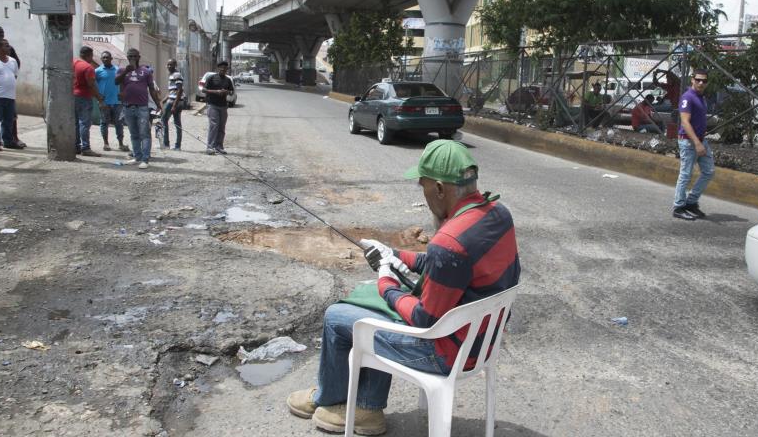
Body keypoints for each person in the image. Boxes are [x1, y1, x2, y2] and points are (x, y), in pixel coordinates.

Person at [287, 140, 521, 435]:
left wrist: (386, 283)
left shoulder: (448, 242)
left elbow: (425, 319)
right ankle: (366, 408)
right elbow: (447, 267)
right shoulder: (498, 214)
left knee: (338, 317)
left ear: (438, 188)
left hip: (445, 353)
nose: (423, 195)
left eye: (422, 186)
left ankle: (330, 399)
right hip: (482, 342)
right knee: (372, 308)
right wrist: (393, 255)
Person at [672, 69, 714, 221]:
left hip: (701, 141)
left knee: (709, 171)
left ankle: (691, 202)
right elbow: (684, 121)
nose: (701, 83)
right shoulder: (687, 97)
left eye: (704, 80)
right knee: (685, 174)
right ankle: (678, 206)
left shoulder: (701, 97)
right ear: (692, 80)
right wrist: (697, 143)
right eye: (698, 80)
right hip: (689, 142)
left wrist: (701, 141)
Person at [116, 48, 160, 169]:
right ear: (127, 57)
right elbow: (116, 82)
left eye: (135, 56)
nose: (132, 59)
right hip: (128, 107)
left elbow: (151, 88)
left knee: (144, 133)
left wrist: (158, 104)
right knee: (133, 133)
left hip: (142, 108)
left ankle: (145, 159)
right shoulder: (121, 70)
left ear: (139, 58)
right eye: (130, 56)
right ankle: (137, 156)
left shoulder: (145, 72)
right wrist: (126, 72)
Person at [0, 25, 25, 148]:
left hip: (9, 94)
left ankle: (10, 140)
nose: (1, 34)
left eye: (2, 32)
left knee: (10, 119)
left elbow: (16, 67)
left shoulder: (10, 53)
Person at [73, 46, 105, 157]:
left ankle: (76, 146)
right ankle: (85, 148)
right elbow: (91, 85)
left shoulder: (73, 63)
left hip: (73, 96)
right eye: (91, 56)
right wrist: (99, 97)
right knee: (84, 123)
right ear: (88, 55)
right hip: (84, 97)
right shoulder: (88, 67)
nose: (92, 58)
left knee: (76, 122)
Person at [95, 51, 129, 152]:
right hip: (104, 102)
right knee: (104, 123)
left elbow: (124, 83)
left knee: (119, 123)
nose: (105, 59)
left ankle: (121, 144)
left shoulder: (118, 70)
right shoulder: (97, 71)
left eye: (107, 57)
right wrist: (98, 98)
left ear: (111, 58)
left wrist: (123, 93)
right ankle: (106, 144)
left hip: (117, 102)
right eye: (103, 58)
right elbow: (93, 85)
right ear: (101, 59)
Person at [204, 61, 234, 155]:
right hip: (212, 105)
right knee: (214, 125)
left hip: (223, 106)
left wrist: (227, 92)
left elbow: (231, 91)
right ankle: (210, 147)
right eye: (221, 68)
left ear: (227, 70)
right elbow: (204, 89)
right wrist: (216, 92)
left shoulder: (228, 80)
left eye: (225, 68)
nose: (223, 69)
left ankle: (219, 146)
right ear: (218, 68)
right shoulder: (211, 78)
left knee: (221, 127)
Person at [162, 59, 185, 150]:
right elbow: (172, 91)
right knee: (177, 123)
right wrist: (163, 100)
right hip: (174, 101)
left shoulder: (176, 75)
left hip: (174, 102)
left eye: (171, 65)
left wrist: (174, 105)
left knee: (163, 119)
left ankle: (166, 144)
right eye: (168, 65)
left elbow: (180, 90)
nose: (169, 66)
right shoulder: (171, 75)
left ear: (175, 65)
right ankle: (177, 146)